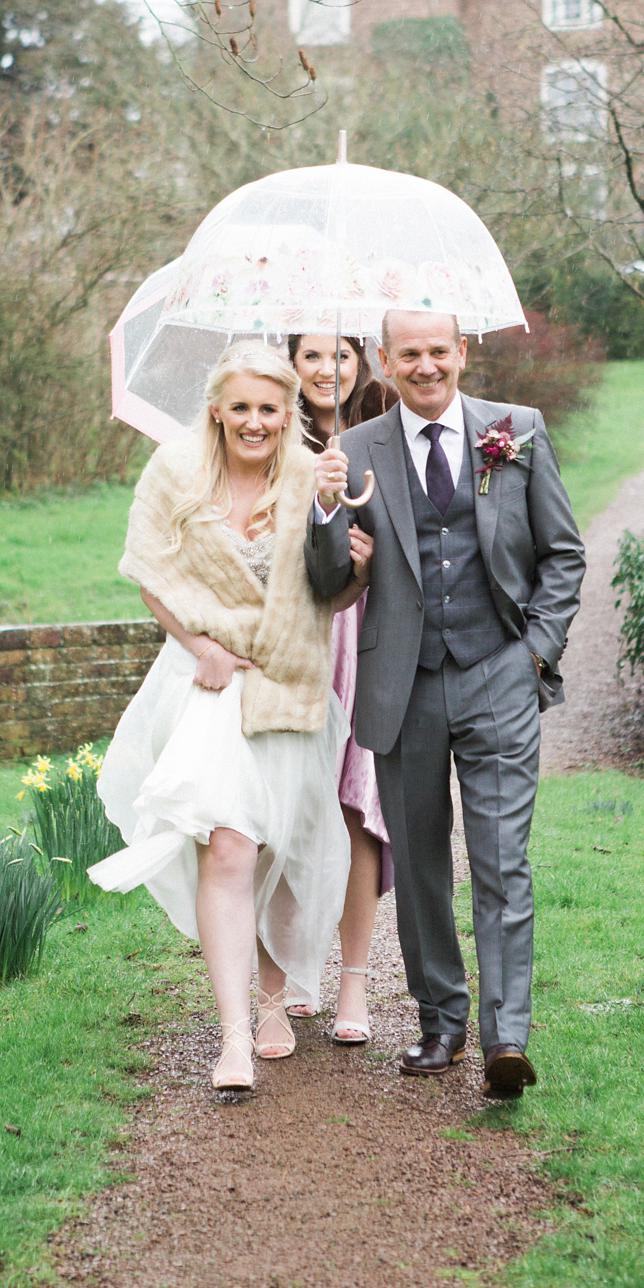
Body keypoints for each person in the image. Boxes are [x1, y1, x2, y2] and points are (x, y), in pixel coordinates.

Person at [304, 310, 586, 1098]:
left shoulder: (515, 431)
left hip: (500, 671)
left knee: (501, 861)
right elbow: (328, 583)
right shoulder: (353, 451)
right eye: (409, 355)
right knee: (423, 864)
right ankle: (441, 1022)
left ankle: (506, 1037)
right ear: (384, 364)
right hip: (402, 681)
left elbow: (563, 553)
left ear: (461, 354)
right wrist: (325, 511)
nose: (425, 367)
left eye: (439, 351)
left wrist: (536, 650)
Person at [89, 342, 370, 1094]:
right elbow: (148, 569)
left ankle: (277, 1001)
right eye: (240, 407)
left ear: (289, 413)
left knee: (279, 849)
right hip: (205, 687)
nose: (254, 422)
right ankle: (235, 1035)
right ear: (216, 407)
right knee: (230, 849)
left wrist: (342, 539)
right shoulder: (175, 471)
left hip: (287, 681)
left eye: (269, 410)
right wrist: (197, 643)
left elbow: (331, 595)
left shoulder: (317, 475)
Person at [287, 331, 397, 1044]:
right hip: (297, 637)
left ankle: (353, 984)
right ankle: (296, 969)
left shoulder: (385, 435)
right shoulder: (272, 433)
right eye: (312, 357)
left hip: (366, 638)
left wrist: (372, 555)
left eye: (342, 357)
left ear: (360, 364)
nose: (328, 369)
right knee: (289, 804)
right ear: (291, 366)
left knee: (357, 804)